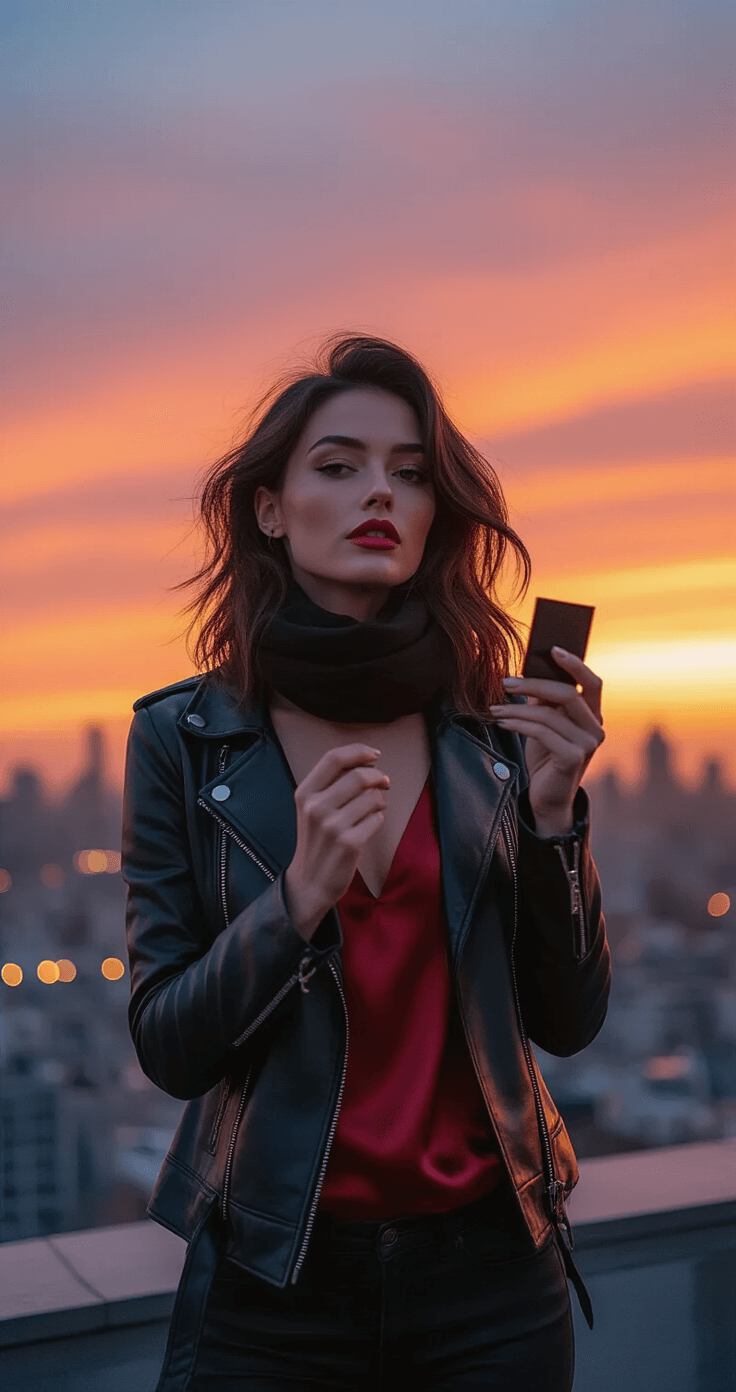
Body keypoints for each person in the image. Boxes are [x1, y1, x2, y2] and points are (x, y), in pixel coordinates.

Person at [122, 334, 610, 1391]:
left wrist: (555, 820)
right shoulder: (183, 740)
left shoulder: (499, 730)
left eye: (410, 472)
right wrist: (297, 897)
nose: (377, 493)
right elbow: (168, 1046)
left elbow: (567, 1024)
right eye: (337, 466)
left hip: (495, 1279)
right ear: (268, 506)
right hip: (275, 1281)